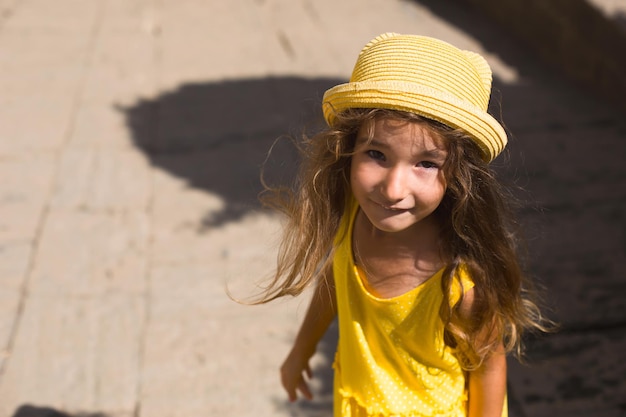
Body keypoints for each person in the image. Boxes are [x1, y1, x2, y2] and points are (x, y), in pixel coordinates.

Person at [255, 33, 550, 417]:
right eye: (376, 154)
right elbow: (337, 277)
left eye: (426, 164)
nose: (393, 189)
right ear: (347, 150)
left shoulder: (460, 284)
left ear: (460, 177)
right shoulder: (353, 215)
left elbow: (490, 369)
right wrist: (301, 350)